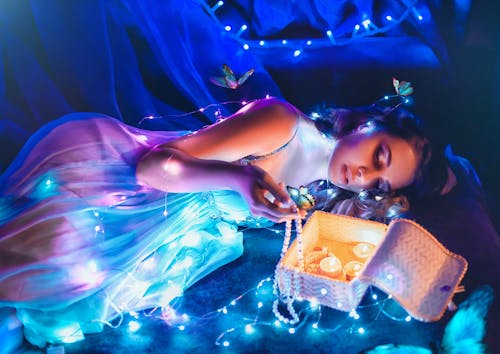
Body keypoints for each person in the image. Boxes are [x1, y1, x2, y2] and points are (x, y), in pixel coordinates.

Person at [0, 96, 492, 348]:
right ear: (365, 125)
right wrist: (238, 179)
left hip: (177, 234)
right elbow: (152, 167)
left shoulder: (336, 189)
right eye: (379, 154)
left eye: (380, 183)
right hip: (122, 190)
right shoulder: (280, 124)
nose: (366, 175)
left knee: (62, 306)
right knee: (55, 263)